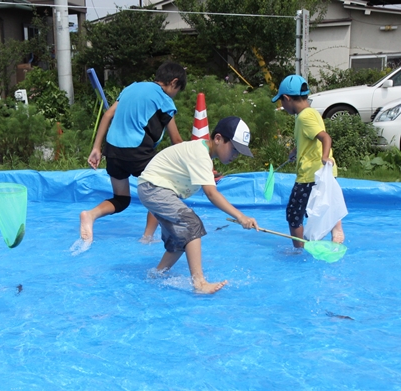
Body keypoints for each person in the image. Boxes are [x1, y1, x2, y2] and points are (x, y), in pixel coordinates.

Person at [137, 116, 258, 294]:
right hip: (153, 188)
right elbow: (211, 193)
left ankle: (156, 274)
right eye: (234, 149)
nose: (235, 155)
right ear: (218, 139)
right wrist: (240, 216)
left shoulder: (201, 154)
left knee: (180, 238)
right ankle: (199, 283)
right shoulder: (200, 154)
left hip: (152, 188)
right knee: (192, 223)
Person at [79, 61, 186, 245]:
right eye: (178, 90)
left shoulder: (131, 88)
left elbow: (107, 115)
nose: (175, 95)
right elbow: (176, 141)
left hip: (112, 151)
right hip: (138, 153)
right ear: (174, 82)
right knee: (162, 190)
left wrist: (97, 148)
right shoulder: (164, 100)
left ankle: (90, 215)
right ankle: (147, 237)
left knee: (121, 199)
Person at [271, 74, 345, 248]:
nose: (282, 106)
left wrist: (325, 156)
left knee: (293, 214)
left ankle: (299, 252)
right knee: (320, 205)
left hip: (310, 174)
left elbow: (325, 138)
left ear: (287, 98)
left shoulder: (304, 117)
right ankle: (336, 225)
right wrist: (296, 151)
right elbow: (309, 139)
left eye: (282, 101)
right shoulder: (309, 114)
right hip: (321, 173)